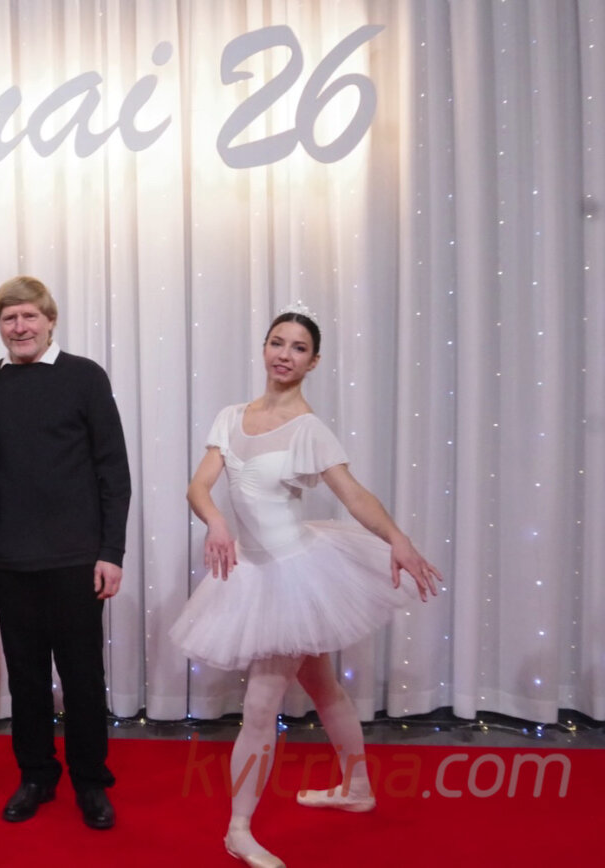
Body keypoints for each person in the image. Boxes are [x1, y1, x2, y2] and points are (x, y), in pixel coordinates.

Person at [169, 305, 443, 868]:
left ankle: (238, 829)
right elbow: (199, 487)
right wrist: (216, 522)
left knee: (260, 704)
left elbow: (354, 495)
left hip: (295, 574)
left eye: (298, 348)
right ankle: (358, 788)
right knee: (321, 685)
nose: (284, 355)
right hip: (255, 572)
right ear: (264, 348)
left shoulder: (309, 430)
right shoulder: (230, 417)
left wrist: (398, 538)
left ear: (313, 362)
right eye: (278, 342)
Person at [0, 275, 131, 831]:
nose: (20, 327)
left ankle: (90, 780)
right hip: (9, 559)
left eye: (29, 316)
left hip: (76, 558)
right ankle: (37, 775)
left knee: (83, 677)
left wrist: (111, 551)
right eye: (9, 318)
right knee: (26, 677)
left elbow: (113, 470)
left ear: (49, 320)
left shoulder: (85, 376)